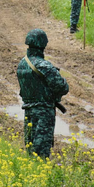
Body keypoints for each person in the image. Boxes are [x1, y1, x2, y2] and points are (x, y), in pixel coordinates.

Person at [16, 29, 69, 159]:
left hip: (28, 111)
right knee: (41, 152)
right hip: (44, 113)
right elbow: (63, 87)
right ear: (43, 44)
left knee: (30, 150)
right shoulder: (44, 65)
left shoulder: (22, 64)